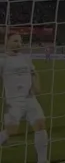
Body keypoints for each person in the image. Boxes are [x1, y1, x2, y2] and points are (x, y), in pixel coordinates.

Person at [0, 33, 48, 163]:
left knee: (40, 125)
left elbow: (34, 73)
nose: (18, 44)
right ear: (7, 42)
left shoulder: (26, 58)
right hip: (13, 101)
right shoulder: (3, 60)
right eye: (15, 41)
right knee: (11, 130)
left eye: (20, 42)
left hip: (30, 98)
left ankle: (43, 160)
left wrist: (37, 86)